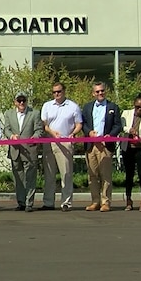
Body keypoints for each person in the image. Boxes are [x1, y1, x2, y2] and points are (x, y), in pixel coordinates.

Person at [81, 81, 123, 212]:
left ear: (105, 91)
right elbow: (83, 123)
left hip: (105, 146)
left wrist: (110, 135)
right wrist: (89, 132)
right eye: (97, 91)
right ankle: (95, 201)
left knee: (105, 175)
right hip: (91, 145)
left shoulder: (113, 107)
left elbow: (118, 125)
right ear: (93, 93)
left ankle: (106, 202)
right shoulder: (87, 107)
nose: (100, 93)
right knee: (92, 175)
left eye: (102, 91)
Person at [41, 82, 83, 211]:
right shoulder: (47, 105)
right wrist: (52, 133)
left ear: (64, 91)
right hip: (49, 141)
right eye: (54, 92)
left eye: (59, 91)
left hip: (65, 142)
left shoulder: (73, 106)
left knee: (66, 174)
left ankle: (66, 202)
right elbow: (44, 124)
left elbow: (79, 124)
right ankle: (48, 202)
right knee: (49, 174)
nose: (57, 94)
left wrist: (73, 133)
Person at [2, 92, 44, 212]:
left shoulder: (34, 113)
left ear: (26, 101)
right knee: (18, 178)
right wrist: (11, 136)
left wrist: (35, 137)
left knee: (30, 177)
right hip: (15, 150)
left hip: (30, 150)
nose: (21, 103)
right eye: (19, 100)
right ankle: (21, 202)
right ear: (15, 102)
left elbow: (39, 130)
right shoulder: (8, 114)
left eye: (23, 100)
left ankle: (29, 203)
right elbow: (6, 129)